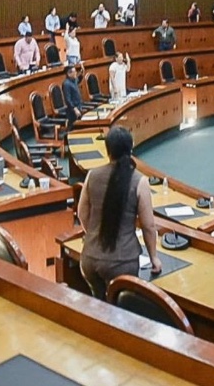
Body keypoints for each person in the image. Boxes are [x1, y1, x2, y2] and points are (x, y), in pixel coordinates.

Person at [78, 127, 162, 299]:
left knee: (99, 304)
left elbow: (82, 214)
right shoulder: (139, 181)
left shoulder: (92, 175)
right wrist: (154, 257)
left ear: (107, 151)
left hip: (89, 259)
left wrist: (93, 235)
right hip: (122, 263)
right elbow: (148, 226)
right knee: (121, 308)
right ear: (131, 149)